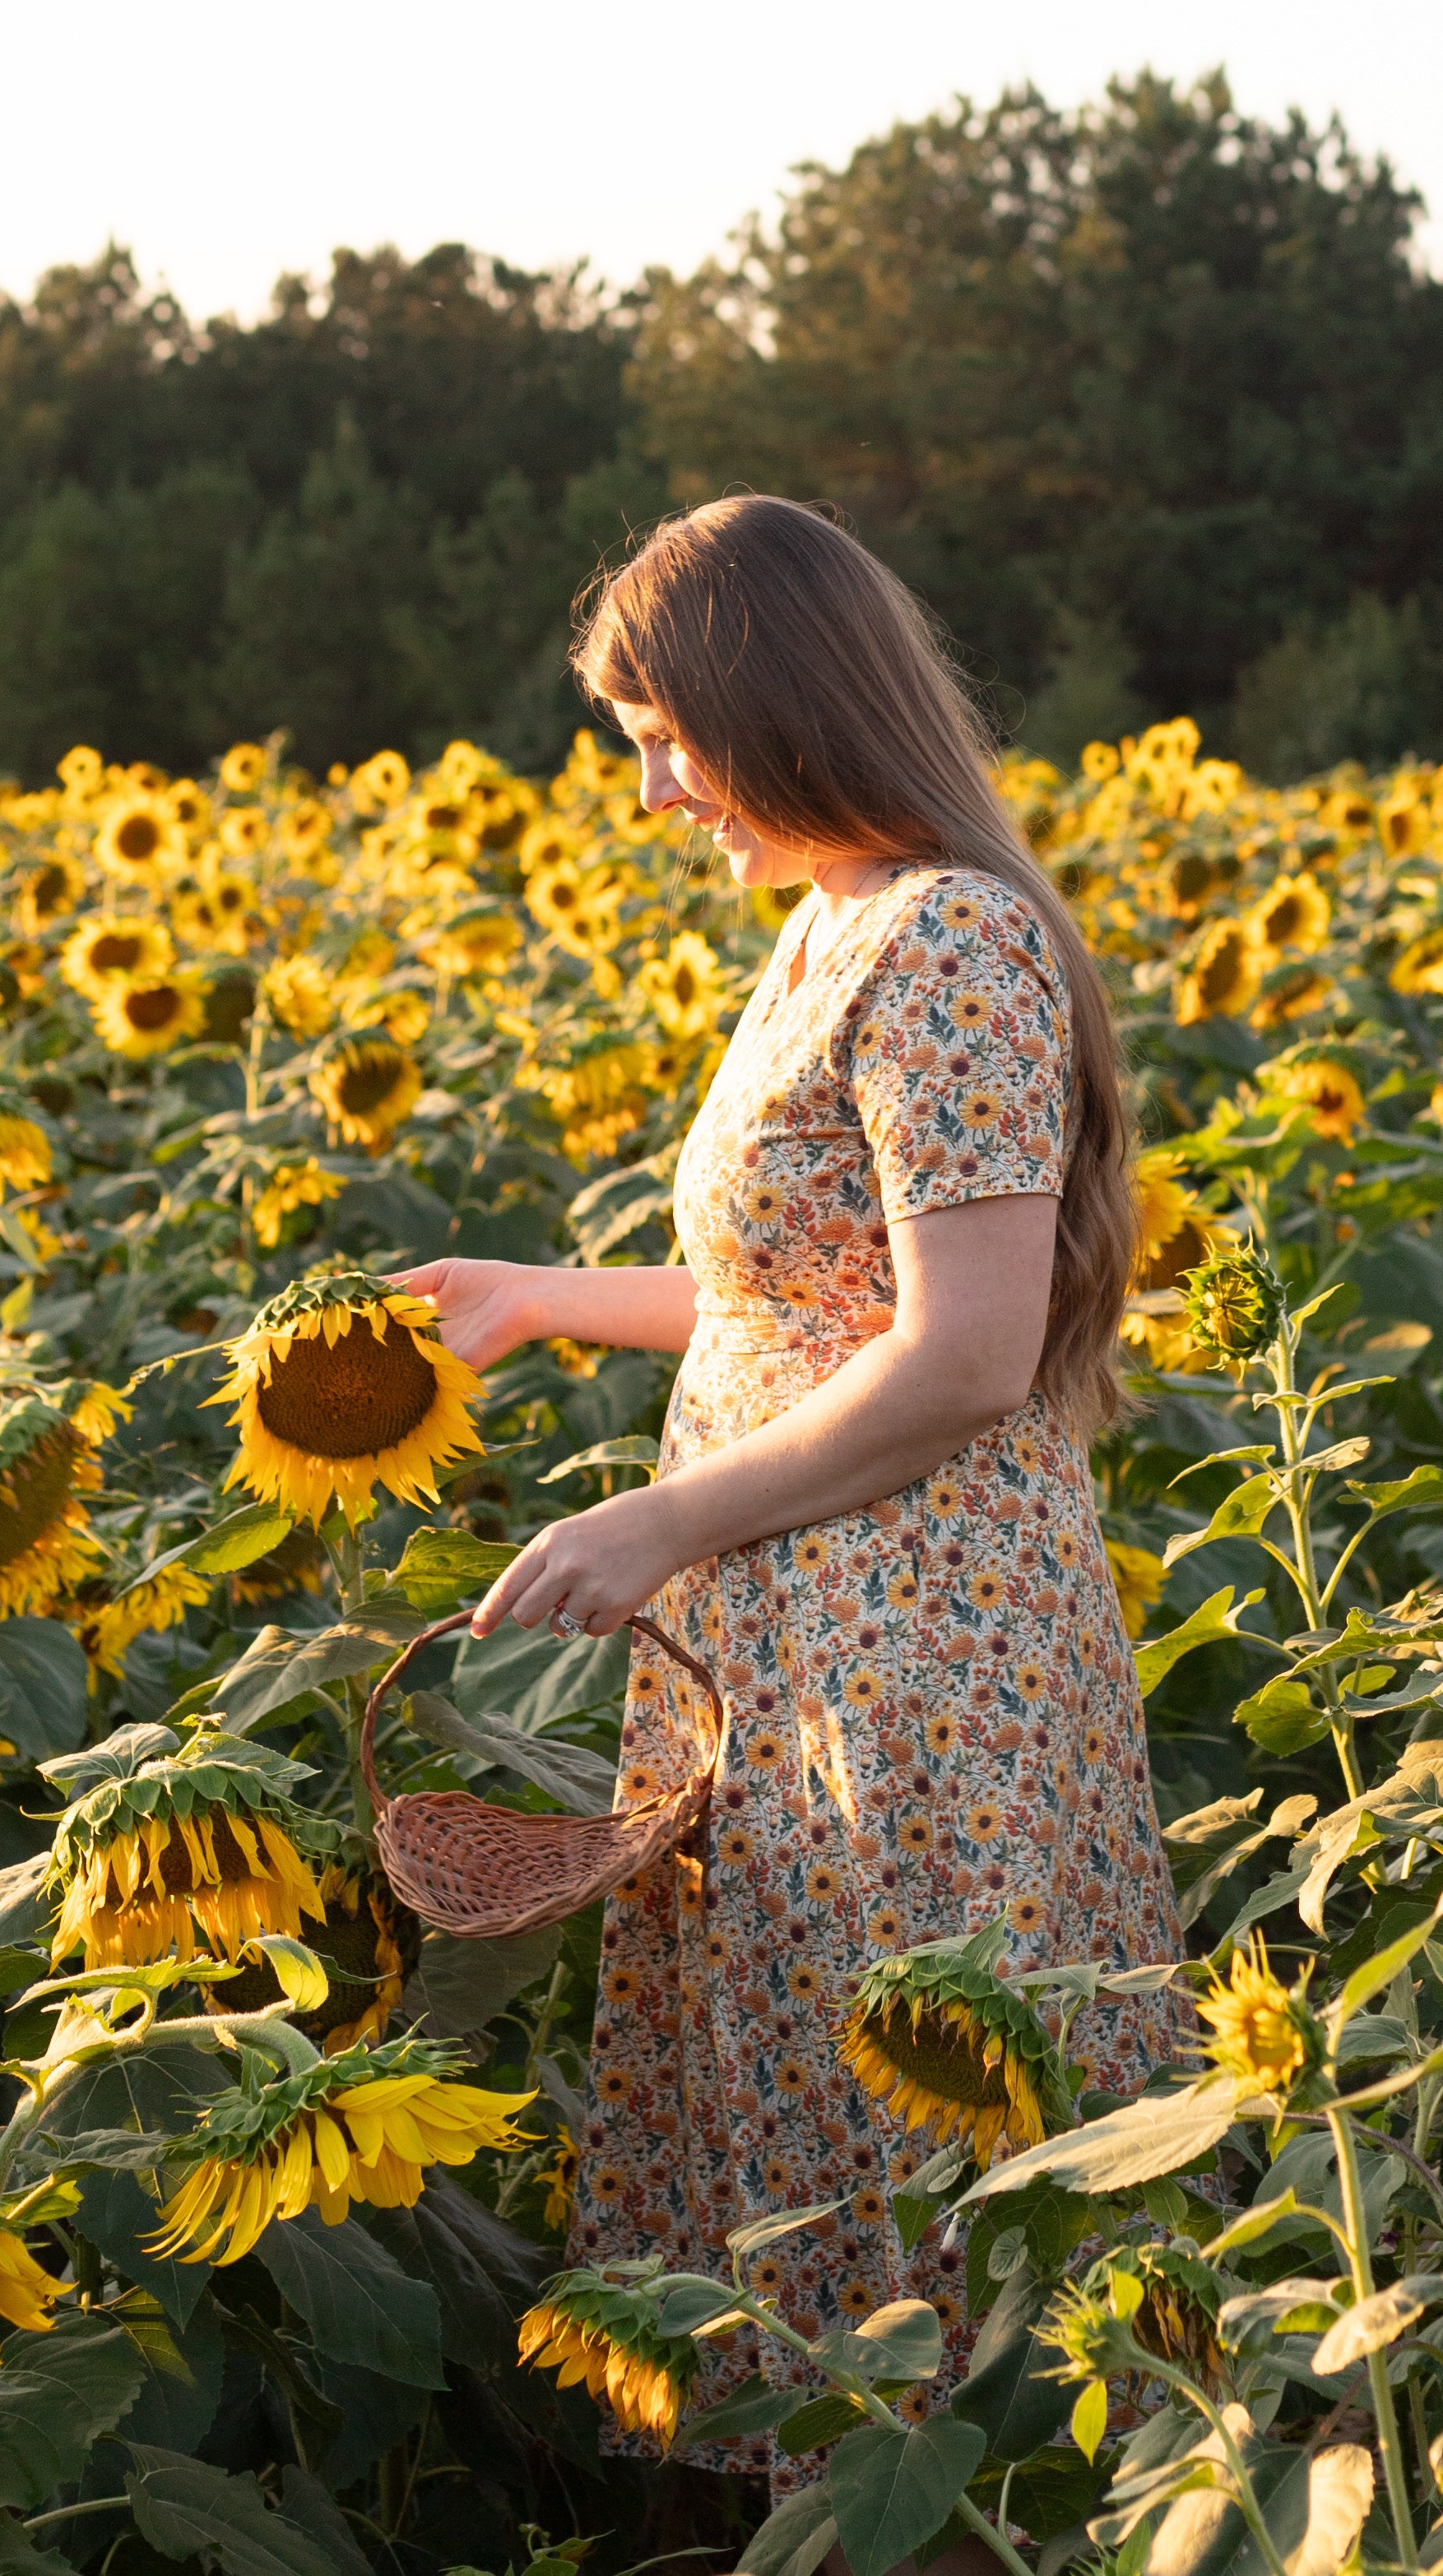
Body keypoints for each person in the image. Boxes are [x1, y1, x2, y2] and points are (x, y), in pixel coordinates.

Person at [397, 496, 1188, 2527]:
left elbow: (962, 1352)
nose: (653, 792)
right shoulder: (833, 923)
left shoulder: (948, 936)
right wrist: (537, 1302)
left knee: (940, 2205)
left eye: (666, 733)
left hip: (922, 1666)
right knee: (826, 2169)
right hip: (805, 1640)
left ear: (784, 697)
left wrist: (661, 1530)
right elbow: (800, 1302)